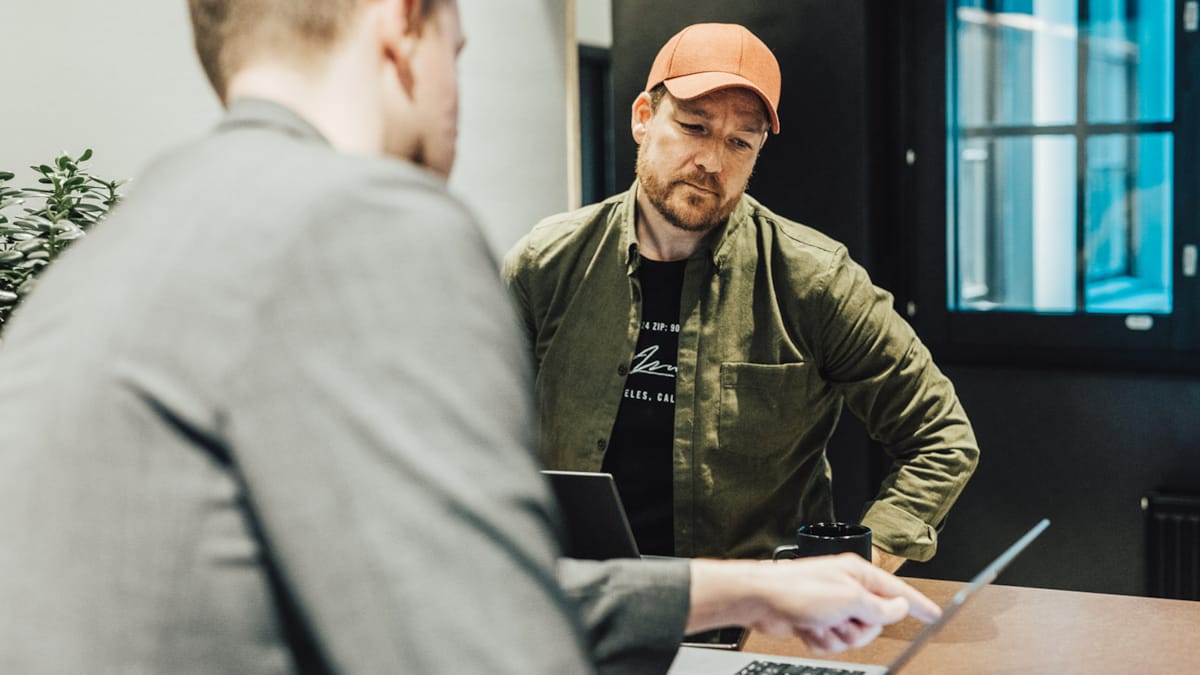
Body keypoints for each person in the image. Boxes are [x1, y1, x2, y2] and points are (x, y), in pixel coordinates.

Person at [0, 3, 939, 674]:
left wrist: (757, 591)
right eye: (460, 41)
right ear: (405, 29)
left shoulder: (97, 258)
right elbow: (488, 633)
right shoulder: (384, 225)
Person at [503, 23, 980, 571]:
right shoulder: (547, 263)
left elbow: (941, 438)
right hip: (582, 601)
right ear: (643, 117)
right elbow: (470, 427)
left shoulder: (814, 280)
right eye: (693, 127)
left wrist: (862, 562)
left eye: (739, 142)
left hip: (751, 617)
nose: (712, 161)